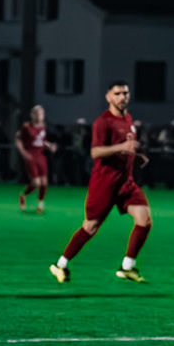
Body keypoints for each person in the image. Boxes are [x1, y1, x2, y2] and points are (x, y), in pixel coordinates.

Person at [50, 80, 154, 284]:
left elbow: (125, 147)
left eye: (125, 93)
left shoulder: (128, 119)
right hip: (105, 183)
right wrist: (122, 147)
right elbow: (96, 151)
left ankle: (127, 267)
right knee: (90, 227)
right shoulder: (103, 122)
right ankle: (60, 264)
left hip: (126, 183)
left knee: (145, 220)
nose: (122, 97)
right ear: (108, 97)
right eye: (117, 94)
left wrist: (136, 155)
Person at [15, 105, 56, 213]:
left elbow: (42, 141)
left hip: (41, 155)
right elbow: (18, 139)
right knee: (36, 182)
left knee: (44, 183)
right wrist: (23, 152)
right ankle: (23, 195)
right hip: (31, 156)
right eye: (37, 113)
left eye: (41, 113)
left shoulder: (43, 126)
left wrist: (50, 146)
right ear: (32, 115)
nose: (39, 116)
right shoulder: (27, 126)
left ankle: (40, 203)